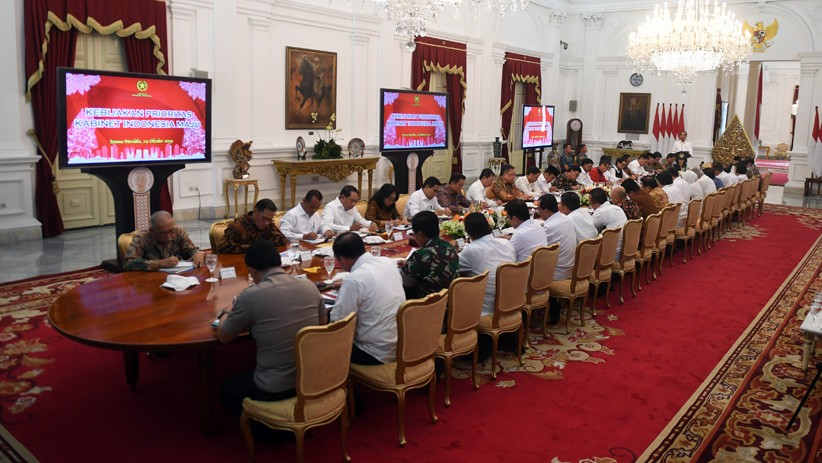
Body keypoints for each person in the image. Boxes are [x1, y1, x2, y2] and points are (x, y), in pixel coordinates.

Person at [216, 240, 325, 418]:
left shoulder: (250, 296)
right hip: (311, 378)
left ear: (251, 270)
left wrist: (226, 312)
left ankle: (268, 429)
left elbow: (223, 336)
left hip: (274, 386)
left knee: (225, 390)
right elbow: (322, 323)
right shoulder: (310, 286)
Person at [330, 232, 405, 365]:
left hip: (374, 353)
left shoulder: (354, 280)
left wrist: (348, 286)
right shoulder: (387, 262)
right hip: (400, 343)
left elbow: (339, 323)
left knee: (325, 346)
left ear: (341, 259)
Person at [458, 213, 516, 316]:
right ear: (489, 227)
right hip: (513, 302)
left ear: (468, 233)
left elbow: (452, 267)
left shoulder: (471, 250)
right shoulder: (506, 243)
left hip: (487, 310)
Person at [399, 211, 459, 299]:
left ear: (420, 235)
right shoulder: (450, 247)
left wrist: (409, 266)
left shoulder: (421, 255)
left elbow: (405, 283)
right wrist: (409, 265)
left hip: (426, 307)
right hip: (449, 302)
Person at [537, 194, 577, 325]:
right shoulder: (566, 219)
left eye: (539, 209)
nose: (538, 212)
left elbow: (537, 248)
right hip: (570, 267)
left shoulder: (549, 227)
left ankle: (547, 309)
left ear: (547, 211)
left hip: (557, 272)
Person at [124, 210, 205, 271]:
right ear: (152, 231)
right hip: (151, 280)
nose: (169, 236)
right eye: (163, 233)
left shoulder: (178, 231)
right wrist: (160, 263)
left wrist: (197, 253)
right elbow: (129, 263)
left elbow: (190, 250)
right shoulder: (142, 238)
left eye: (171, 231)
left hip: (177, 277)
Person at [218, 198, 287, 254]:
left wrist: (262, 245)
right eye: (264, 218)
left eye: (270, 219)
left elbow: (281, 239)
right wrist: (252, 247)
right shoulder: (238, 226)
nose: (266, 223)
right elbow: (222, 246)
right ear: (255, 211)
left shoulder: (268, 225)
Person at [589, 188, 627, 259]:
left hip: (610, 256)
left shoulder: (601, 212)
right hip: (623, 251)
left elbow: (589, 229)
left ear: (596, 204)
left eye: (590, 204)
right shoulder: (616, 208)